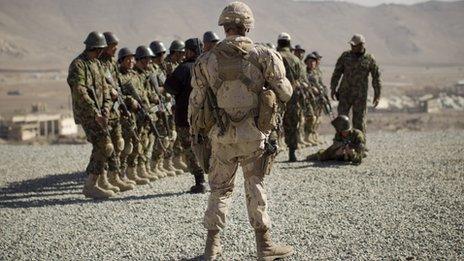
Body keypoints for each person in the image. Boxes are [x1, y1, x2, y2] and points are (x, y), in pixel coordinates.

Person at [189, 2, 294, 260]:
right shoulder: (265, 55)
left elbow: (195, 104)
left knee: (219, 189)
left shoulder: (205, 61)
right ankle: (264, 245)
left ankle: (211, 248)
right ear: (247, 26)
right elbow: (286, 93)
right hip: (254, 136)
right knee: (254, 184)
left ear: (224, 27)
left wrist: (198, 135)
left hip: (221, 137)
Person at [67, 31, 115, 198]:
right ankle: (90, 185)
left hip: (101, 113)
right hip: (88, 114)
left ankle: (99, 181)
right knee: (104, 145)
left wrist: (106, 109)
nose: (102, 52)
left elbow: (107, 89)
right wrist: (95, 113)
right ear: (96, 48)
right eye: (101, 49)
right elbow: (80, 91)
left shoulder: (98, 64)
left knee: (104, 146)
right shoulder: (78, 65)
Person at [165, 38, 206, 193]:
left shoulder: (184, 68)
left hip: (185, 116)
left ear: (189, 51)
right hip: (204, 116)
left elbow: (170, 87)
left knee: (190, 148)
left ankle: (199, 181)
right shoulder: (205, 66)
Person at [330, 34, 382, 135]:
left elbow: (376, 78)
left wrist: (377, 95)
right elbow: (337, 73)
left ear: (362, 45)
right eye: (351, 45)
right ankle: (340, 144)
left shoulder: (369, 59)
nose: (352, 47)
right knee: (342, 120)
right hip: (344, 94)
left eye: (355, 45)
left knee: (359, 122)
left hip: (360, 96)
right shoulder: (345, 56)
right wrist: (333, 88)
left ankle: (359, 145)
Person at [277, 32, 307, 162]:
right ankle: (292, 152)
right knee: (292, 124)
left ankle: (272, 151)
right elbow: (303, 79)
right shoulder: (296, 60)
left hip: (276, 95)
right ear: (289, 43)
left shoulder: (275, 56)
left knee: (275, 123)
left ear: (278, 43)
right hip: (293, 96)